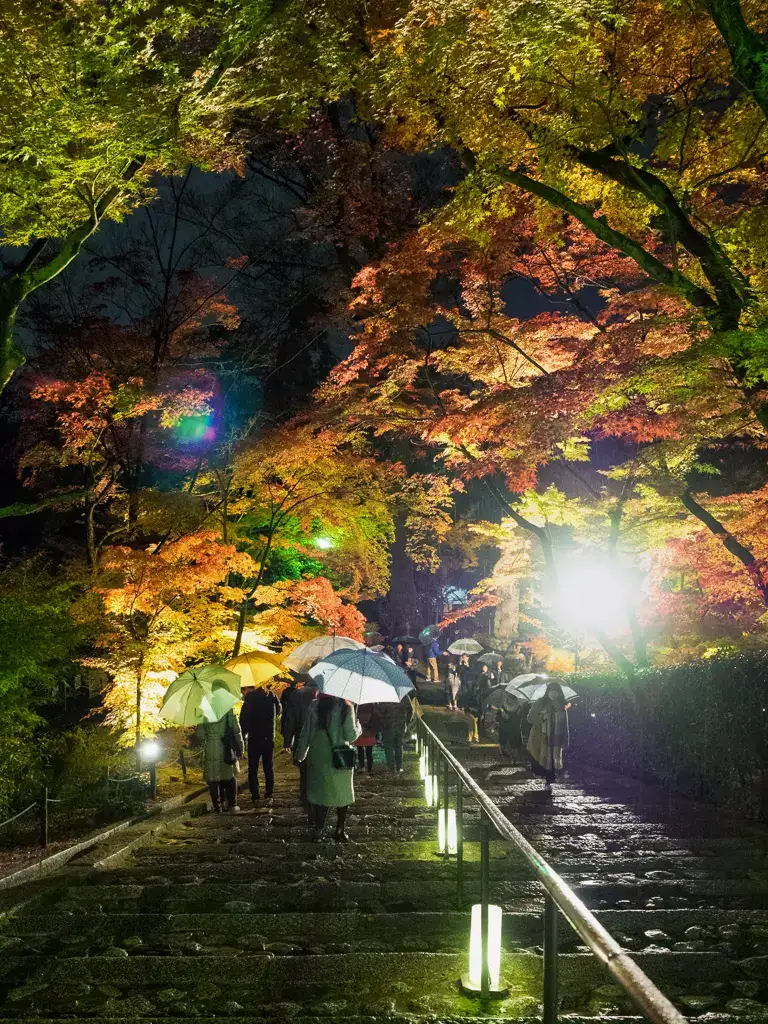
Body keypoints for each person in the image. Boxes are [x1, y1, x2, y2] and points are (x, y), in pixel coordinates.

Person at [295, 693, 361, 841]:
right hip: (340, 757)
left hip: (318, 756)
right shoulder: (346, 707)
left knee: (321, 793)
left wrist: (300, 755)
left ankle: (319, 831)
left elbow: (306, 732)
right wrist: (358, 726)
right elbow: (351, 736)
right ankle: (340, 830)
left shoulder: (315, 705)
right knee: (342, 793)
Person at [197, 706, 244, 813]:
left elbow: (200, 735)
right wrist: (241, 748)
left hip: (211, 748)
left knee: (213, 779)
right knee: (229, 777)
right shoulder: (228, 709)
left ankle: (218, 807)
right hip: (226, 747)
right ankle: (233, 805)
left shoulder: (204, 710)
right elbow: (237, 731)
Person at [240, 684, 280, 804]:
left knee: (253, 768)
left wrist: (243, 735)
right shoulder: (272, 695)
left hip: (254, 737)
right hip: (269, 736)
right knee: (268, 766)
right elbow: (279, 711)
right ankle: (269, 792)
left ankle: (255, 794)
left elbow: (244, 720)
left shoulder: (250, 699)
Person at [527, 682, 570, 791]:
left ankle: (549, 782)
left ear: (559, 693)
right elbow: (530, 718)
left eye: (556, 691)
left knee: (552, 761)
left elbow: (565, 724)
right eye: (551, 690)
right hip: (541, 737)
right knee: (541, 759)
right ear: (547, 692)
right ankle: (544, 776)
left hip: (555, 738)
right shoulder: (540, 702)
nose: (553, 693)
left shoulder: (561, 706)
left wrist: (565, 739)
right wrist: (542, 717)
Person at [378, 695, 414, 772]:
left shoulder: (384, 696)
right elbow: (410, 710)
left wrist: (382, 722)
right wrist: (406, 722)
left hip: (387, 725)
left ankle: (391, 767)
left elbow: (379, 711)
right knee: (399, 745)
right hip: (400, 725)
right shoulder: (404, 696)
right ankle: (399, 766)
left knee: (388, 745)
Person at [354, 703, 380, 774]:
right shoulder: (372, 705)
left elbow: (354, 717)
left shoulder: (357, 705)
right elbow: (377, 716)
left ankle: (362, 767)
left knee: (360, 750)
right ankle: (369, 769)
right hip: (369, 731)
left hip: (360, 730)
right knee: (369, 752)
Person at [280, 678, 303, 752]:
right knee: (294, 729)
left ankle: (286, 745)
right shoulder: (297, 692)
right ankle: (292, 746)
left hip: (286, 711)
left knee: (286, 728)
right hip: (294, 711)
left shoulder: (285, 691)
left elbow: (282, 702)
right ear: (296, 685)